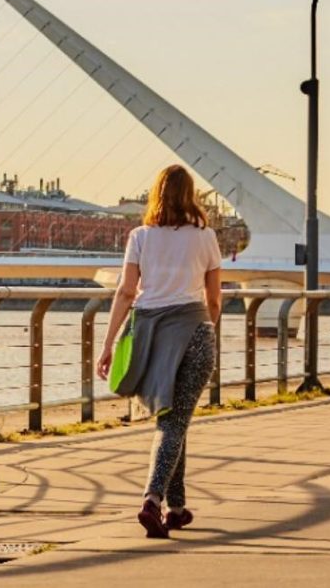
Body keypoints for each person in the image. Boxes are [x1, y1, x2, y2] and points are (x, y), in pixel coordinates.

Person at [97, 164, 222, 540]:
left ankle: (176, 508)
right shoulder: (206, 237)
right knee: (175, 420)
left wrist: (108, 344)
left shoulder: (140, 236)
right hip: (195, 332)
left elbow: (125, 292)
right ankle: (153, 500)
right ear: (191, 196)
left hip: (152, 334)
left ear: (156, 195)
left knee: (173, 418)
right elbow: (214, 298)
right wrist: (207, 329)